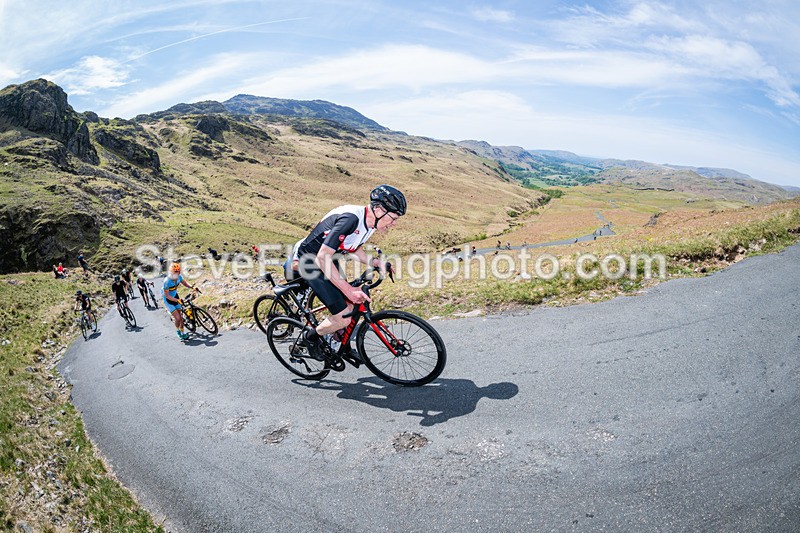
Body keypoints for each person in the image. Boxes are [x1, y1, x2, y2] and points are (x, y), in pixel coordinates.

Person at [292, 184, 405, 361]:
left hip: (329, 258)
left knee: (351, 308)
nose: (394, 223)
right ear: (378, 209)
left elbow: (353, 247)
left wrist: (375, 262)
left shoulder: (370, 224)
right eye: (393, 218)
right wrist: (347, 289)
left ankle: (339, 345)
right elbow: (322, 258)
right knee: (344, 316)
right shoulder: (350, 219)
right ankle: (310, 338)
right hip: (311, 261)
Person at [163, 263, 196, 340]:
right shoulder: (167, 281)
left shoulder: (179, 277)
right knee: (177, 318)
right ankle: (177, 331)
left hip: (175, 296)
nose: (177, 274)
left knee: (181, 317)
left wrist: (192, 287)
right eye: (175, 273)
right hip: (169, 300)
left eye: (178, 272)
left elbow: (184, 283)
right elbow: (167, 296)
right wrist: (177, 300)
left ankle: (182, 333)